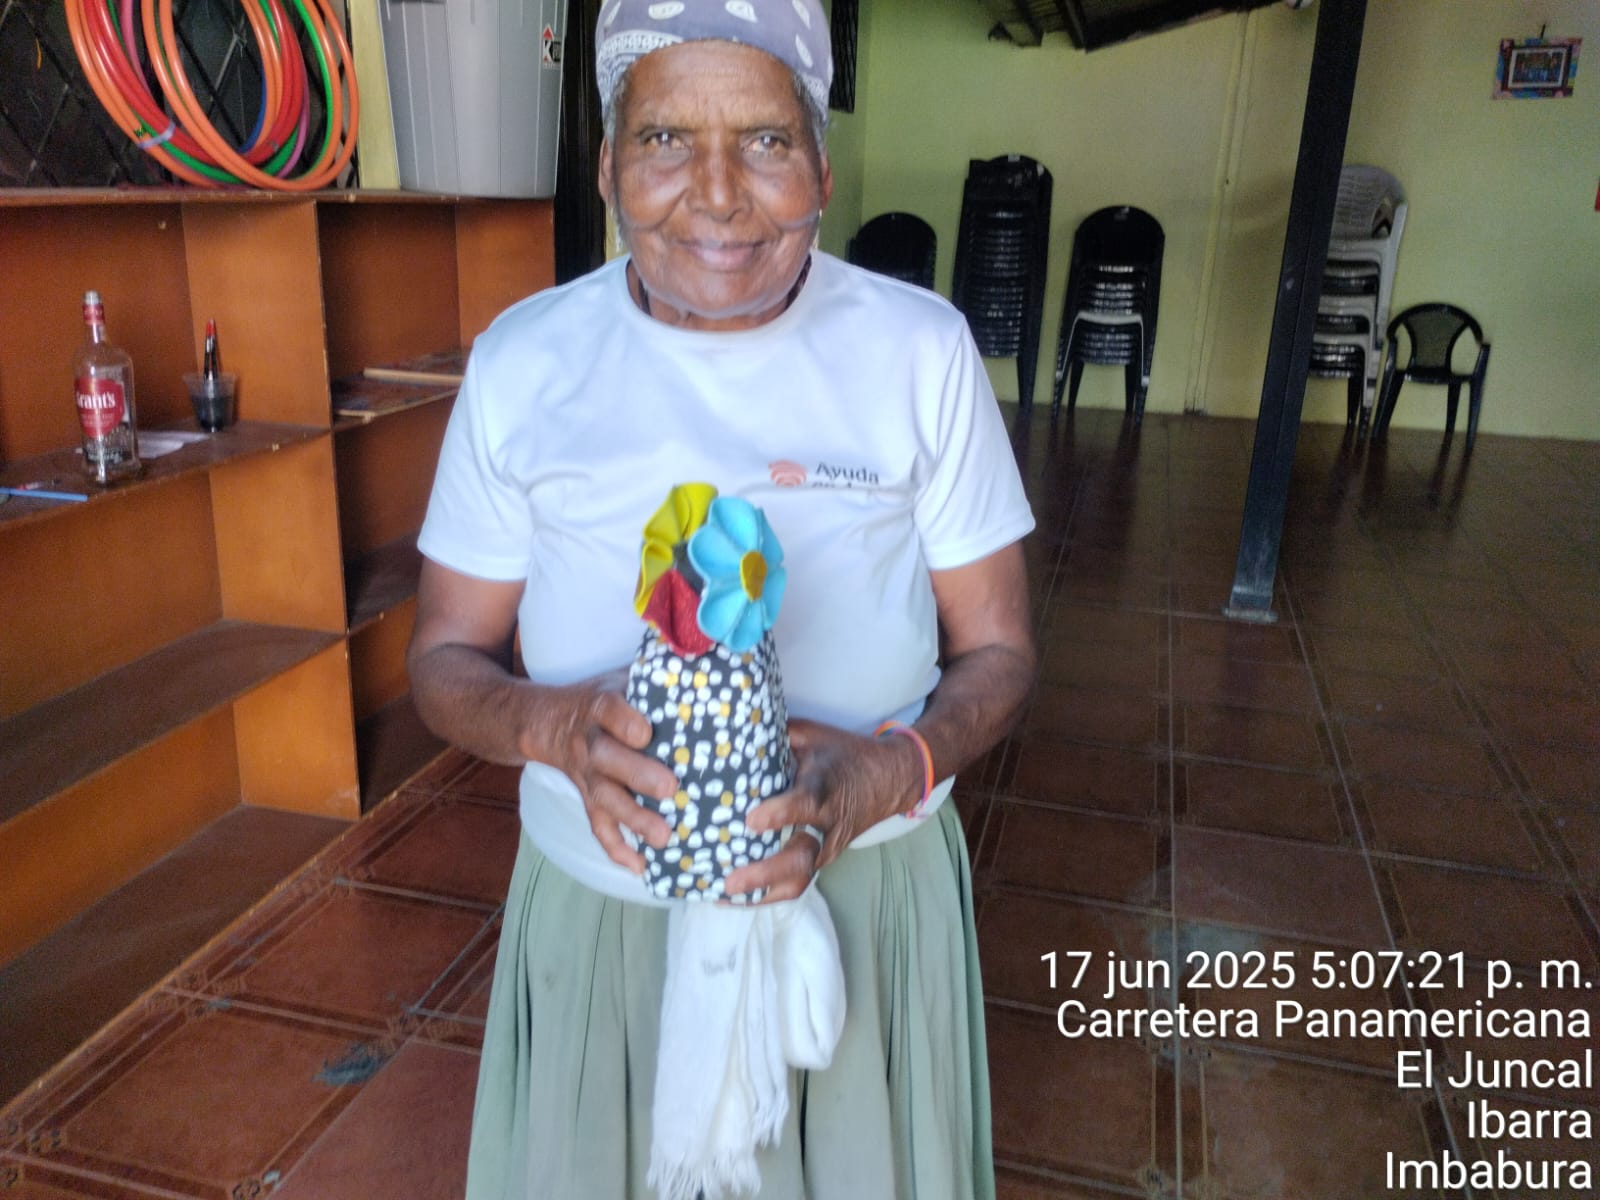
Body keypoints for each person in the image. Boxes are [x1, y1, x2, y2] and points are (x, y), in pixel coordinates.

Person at [407, 1, 1037, 1196]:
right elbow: (444, 657)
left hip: (868, 894)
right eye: (663, 141)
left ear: (822, 169)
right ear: (607, 168)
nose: (715, 196)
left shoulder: (919, 351)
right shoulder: (524, 362)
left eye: (763, 140)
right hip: (606, 914)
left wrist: (886, 772)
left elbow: (999, 649)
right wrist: (552, 727)